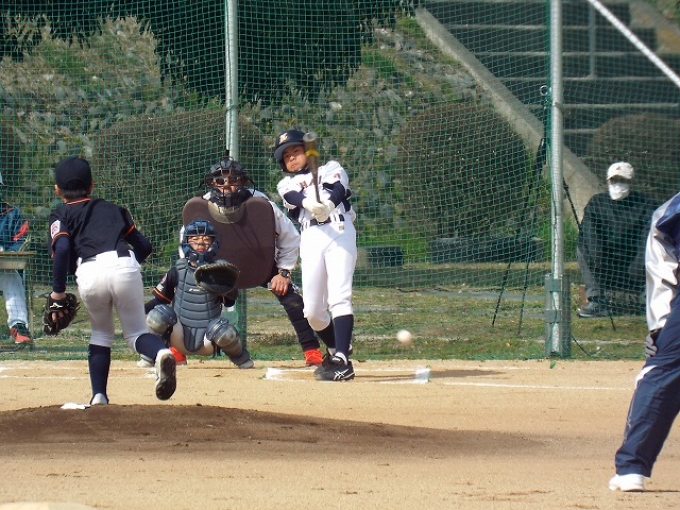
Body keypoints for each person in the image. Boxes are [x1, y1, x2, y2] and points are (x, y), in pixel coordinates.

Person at [48, 156, 176, 405]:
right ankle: (161, 353)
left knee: (101, 333)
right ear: (91, 185)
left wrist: (58, 293)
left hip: (90, 270)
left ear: (57, 189)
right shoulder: (113, 209)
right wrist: (129, 269)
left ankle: (99, 396)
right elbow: (145, 246)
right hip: (124, 264)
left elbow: (62, 249)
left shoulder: (61, 213)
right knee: (136, 333)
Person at [609, 190, 680, 492]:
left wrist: (660, 327)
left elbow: (662, 265)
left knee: (661, 374)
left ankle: (632, 468)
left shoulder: (672, 210)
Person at [274, 129, 357, 381]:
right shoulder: (285, 183)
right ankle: (336, 349)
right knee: (312, 311)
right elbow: (293, 196)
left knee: (339, 297)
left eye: (296, 151)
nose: (291, 157)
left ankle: (342, 361)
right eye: (286, 156)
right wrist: (311, 204)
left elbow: (339, 189)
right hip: (310, 236)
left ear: (308, 152)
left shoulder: (331, 167)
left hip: (338, 229)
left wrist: (328, 204)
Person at [143, 219, 254, 369]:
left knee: (224, 330)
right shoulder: (177, 271)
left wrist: (225, 288)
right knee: (158, 315)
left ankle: (242, 359)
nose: (201, 243)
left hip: (209, 339)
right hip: (179, 338)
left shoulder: (219, 271)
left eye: (206, 239)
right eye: (195, 239)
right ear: (186, 242)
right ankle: (149, 356)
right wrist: (138, 311)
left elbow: (230, 301)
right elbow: (159, 301)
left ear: (214, 243)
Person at [577, 162, 658, 318]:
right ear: (608, 181)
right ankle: (597, 300)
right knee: (582, 246)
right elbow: (589, 233)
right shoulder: (596, 203)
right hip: (604, 262)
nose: (618, 184)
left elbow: (648, 237)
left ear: (630, 181)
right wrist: (597, 258)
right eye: (615, 180)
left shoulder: (646, 204)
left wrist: (639, 264)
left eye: (623, 180)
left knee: (658, 247)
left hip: (635, 263)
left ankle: (650, 300)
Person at [0, 185, 32, 344]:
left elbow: (22, 241)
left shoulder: (12, 213)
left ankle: (18, 326)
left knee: (11, 276)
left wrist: (8, 253)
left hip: (3, 268)